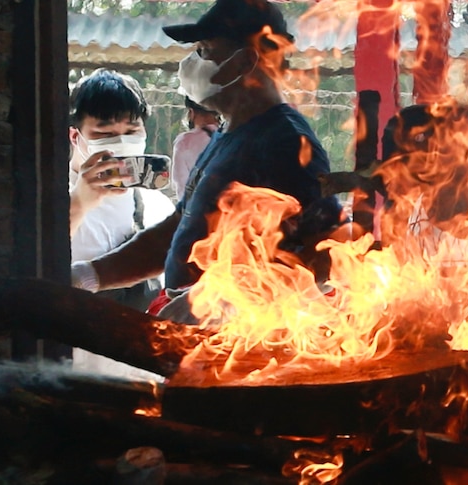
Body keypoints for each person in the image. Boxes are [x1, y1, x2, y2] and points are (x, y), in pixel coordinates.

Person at [70, 0, 344, 322]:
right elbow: (174, 232)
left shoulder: (285, 143)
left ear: (244, 61)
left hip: (240, 347)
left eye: (204, 50)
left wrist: (222, 300)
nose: (191, 62)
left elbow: (325, 256)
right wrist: (88, 276)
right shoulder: (228, 135)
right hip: (198, 338)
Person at [68, 68, 174, 378]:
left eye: (132, 131)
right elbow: (35, 268)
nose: (122, 143)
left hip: (144, 378)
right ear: (76, 137)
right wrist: (79, 203)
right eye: (104, 134)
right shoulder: (48, 201)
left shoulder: (156, 205)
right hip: (75, 378)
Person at [171, 97, 220, 201]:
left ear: (191, 113)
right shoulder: (232, 135)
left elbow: (181, 188)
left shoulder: (184, 142)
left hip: (200, 211)